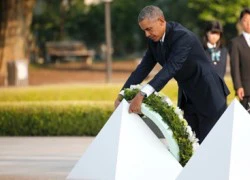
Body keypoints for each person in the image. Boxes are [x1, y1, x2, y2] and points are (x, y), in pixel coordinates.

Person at [114, 5, 229, 143]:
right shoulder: (153, 42)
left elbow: (170, 69)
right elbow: (141, 69)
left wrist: (142, 94)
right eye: (144, 30)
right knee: (192, 145)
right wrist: (122, 94)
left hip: (209, 94)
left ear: (161, 21)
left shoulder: (183, 37)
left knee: (210, 145)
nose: (147, 34)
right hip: (188, 97)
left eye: (149, 29)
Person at [229, 7, 250, 110]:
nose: (248, 24)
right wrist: (238, 86)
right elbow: (235, 67)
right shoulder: (236, 42)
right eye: (246, 21)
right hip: (246, 90)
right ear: (241, 22)